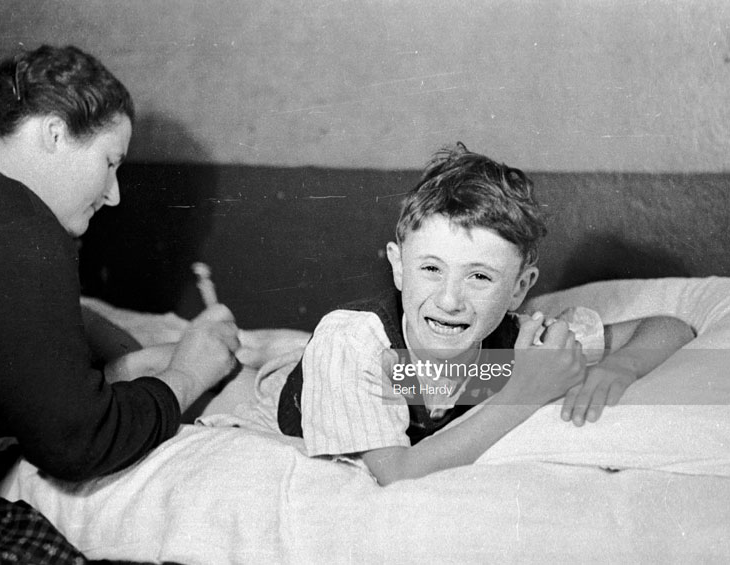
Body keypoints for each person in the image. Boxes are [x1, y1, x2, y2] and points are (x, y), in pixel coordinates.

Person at [0, 45, 239, 562]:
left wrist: (118, 372)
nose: (114, 195)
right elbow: (75, 443)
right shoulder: (15, 226)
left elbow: (7, 376)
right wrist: (187, 376)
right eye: (110, 163)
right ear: (55, 133)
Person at [277, 143, 694, 486]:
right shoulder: (354, 341)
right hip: (312, 389)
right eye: (430, 269)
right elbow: (396, 474)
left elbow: (669, 327)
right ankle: (270, 354)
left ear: (519, 288)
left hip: (422, 387)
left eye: (479, 276)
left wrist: (619, 367)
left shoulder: (519, 341)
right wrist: (525, 392)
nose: (449, 300)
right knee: (279, 363)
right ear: (399, 267)